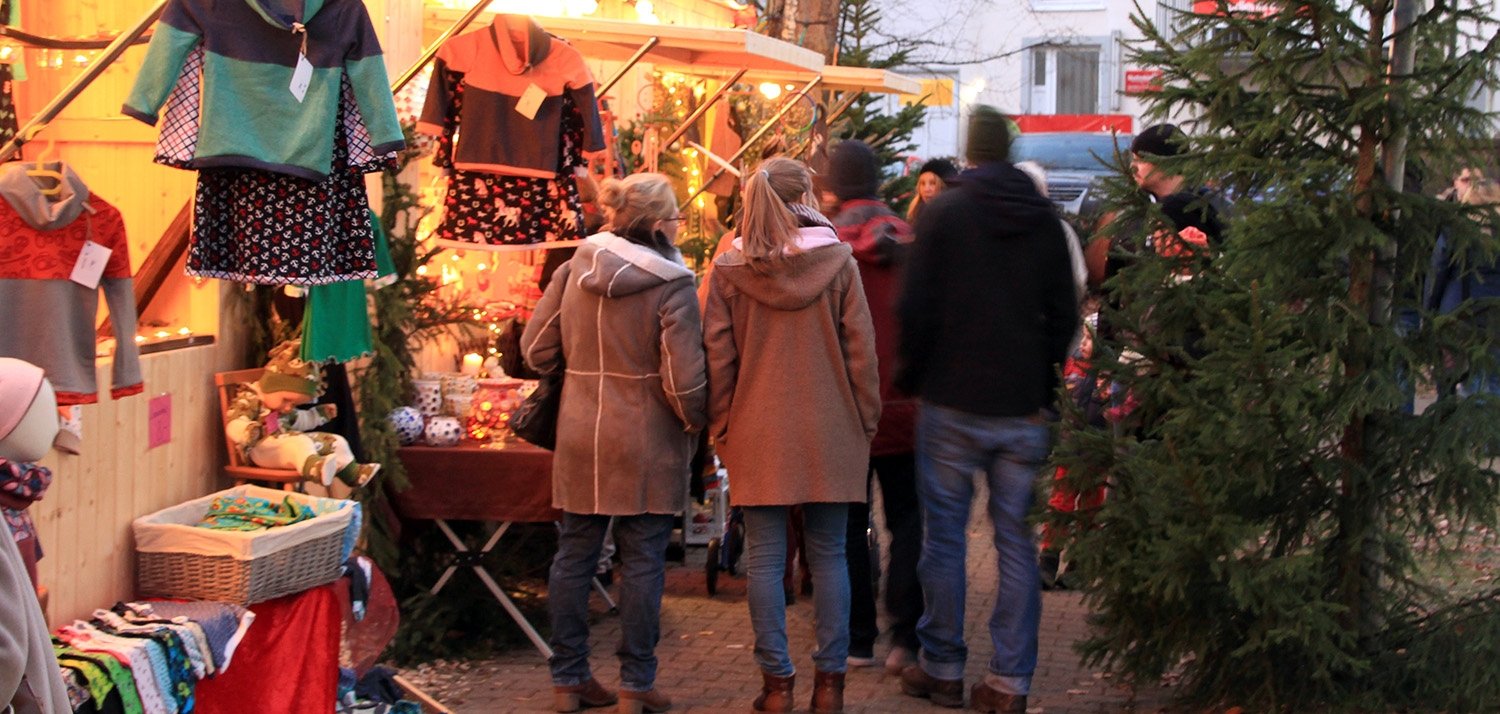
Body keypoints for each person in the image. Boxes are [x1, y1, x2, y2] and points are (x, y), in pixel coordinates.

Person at [895, 106, 1079, 713]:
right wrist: (1046, 388)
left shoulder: (945, 213)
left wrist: (912, 377)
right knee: (1015, 543)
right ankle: (1009, 682)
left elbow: (915, 307)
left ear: (970, 152)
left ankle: (942, 665)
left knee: (944, 540)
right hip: (1022, 405)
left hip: (952, 399)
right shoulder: (1045, 222)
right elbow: (1065, 313)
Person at [522, 173, 708, 714]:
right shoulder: (673, 284)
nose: (678, 227)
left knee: (574, 555)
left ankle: (568, 680)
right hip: (647, 437)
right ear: (656, 225)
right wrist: (695, 422)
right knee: (644, 560)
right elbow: (684, 382)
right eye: (675, 218)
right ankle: (635, 685)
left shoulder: (573, 267)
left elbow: (536, 349)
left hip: (581, 431)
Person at [703, 157, 881, 714]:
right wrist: (865, 421)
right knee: (830, 556)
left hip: (756, 428)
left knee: (764, 558)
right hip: (832, 427)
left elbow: (718, 359)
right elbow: (861, 354)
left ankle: (777, 686)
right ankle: (830, 687)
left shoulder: (729, 267)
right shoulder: (838, 262)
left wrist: (723, 427)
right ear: (806, 194)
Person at [824, 140, 924, 674]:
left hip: (844, 408)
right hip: (907, 404)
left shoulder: (824, 245)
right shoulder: (912, 238)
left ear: (832, 186)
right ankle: (906, 638)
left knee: (845, 523)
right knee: (909, 520)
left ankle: (855, 639)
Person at [225, 340, 380, 489]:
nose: (288, 408)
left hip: (285, 445)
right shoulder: (251, 398)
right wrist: (247, 430)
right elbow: (234, 423)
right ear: (271, 385)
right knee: (300, 443)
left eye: (293, 404)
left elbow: (300, 419)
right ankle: (315, 469)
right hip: (261, 450)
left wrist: (318, 415)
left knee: (335, 441)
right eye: (286, 400)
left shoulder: (283, 409)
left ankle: (352, 474)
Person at [1426, 177, 1500, 397]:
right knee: (1493, 377)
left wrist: (1430, 310)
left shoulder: (1456, 227)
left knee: (1455, 379)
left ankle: (1456, 425)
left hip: (1459, 313)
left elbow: (1437, 269)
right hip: (1496, 315)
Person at [905, 158, 958, 223]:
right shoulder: (915, 213)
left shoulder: (955, 217)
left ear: (945, 186)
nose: (926, 189)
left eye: (933, 183)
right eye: (922, 183)